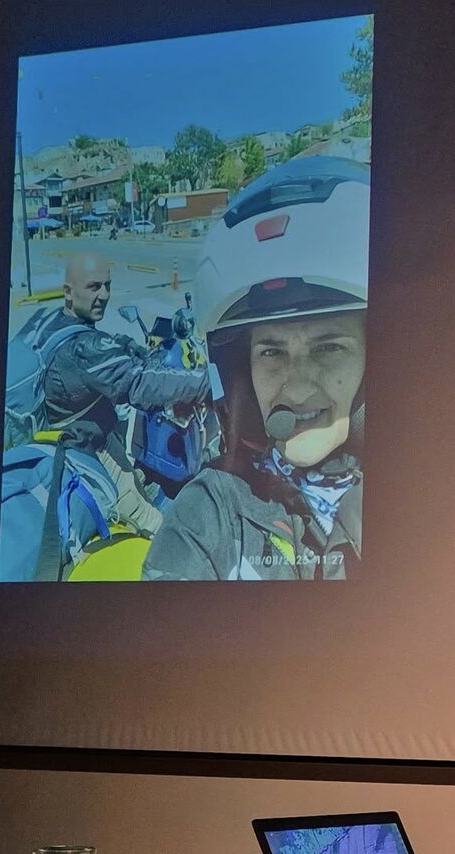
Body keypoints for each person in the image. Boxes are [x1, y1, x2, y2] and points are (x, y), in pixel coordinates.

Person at [142, 158, 368, 580]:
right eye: (271, 352)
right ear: (240, 373)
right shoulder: (210, 515)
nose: (295, 387)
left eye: (329, 347)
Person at [32, 252, 210, 535]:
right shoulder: (84, 349)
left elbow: (96, 356)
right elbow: (140, 384)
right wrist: (207, 383)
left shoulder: (55, 326)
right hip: (90, 451)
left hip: (76, 437)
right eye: (94, 287)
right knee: (156, 529)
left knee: (137, 483)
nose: (103, 295)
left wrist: (124, 344)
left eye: (107, 286)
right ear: (68, 292)